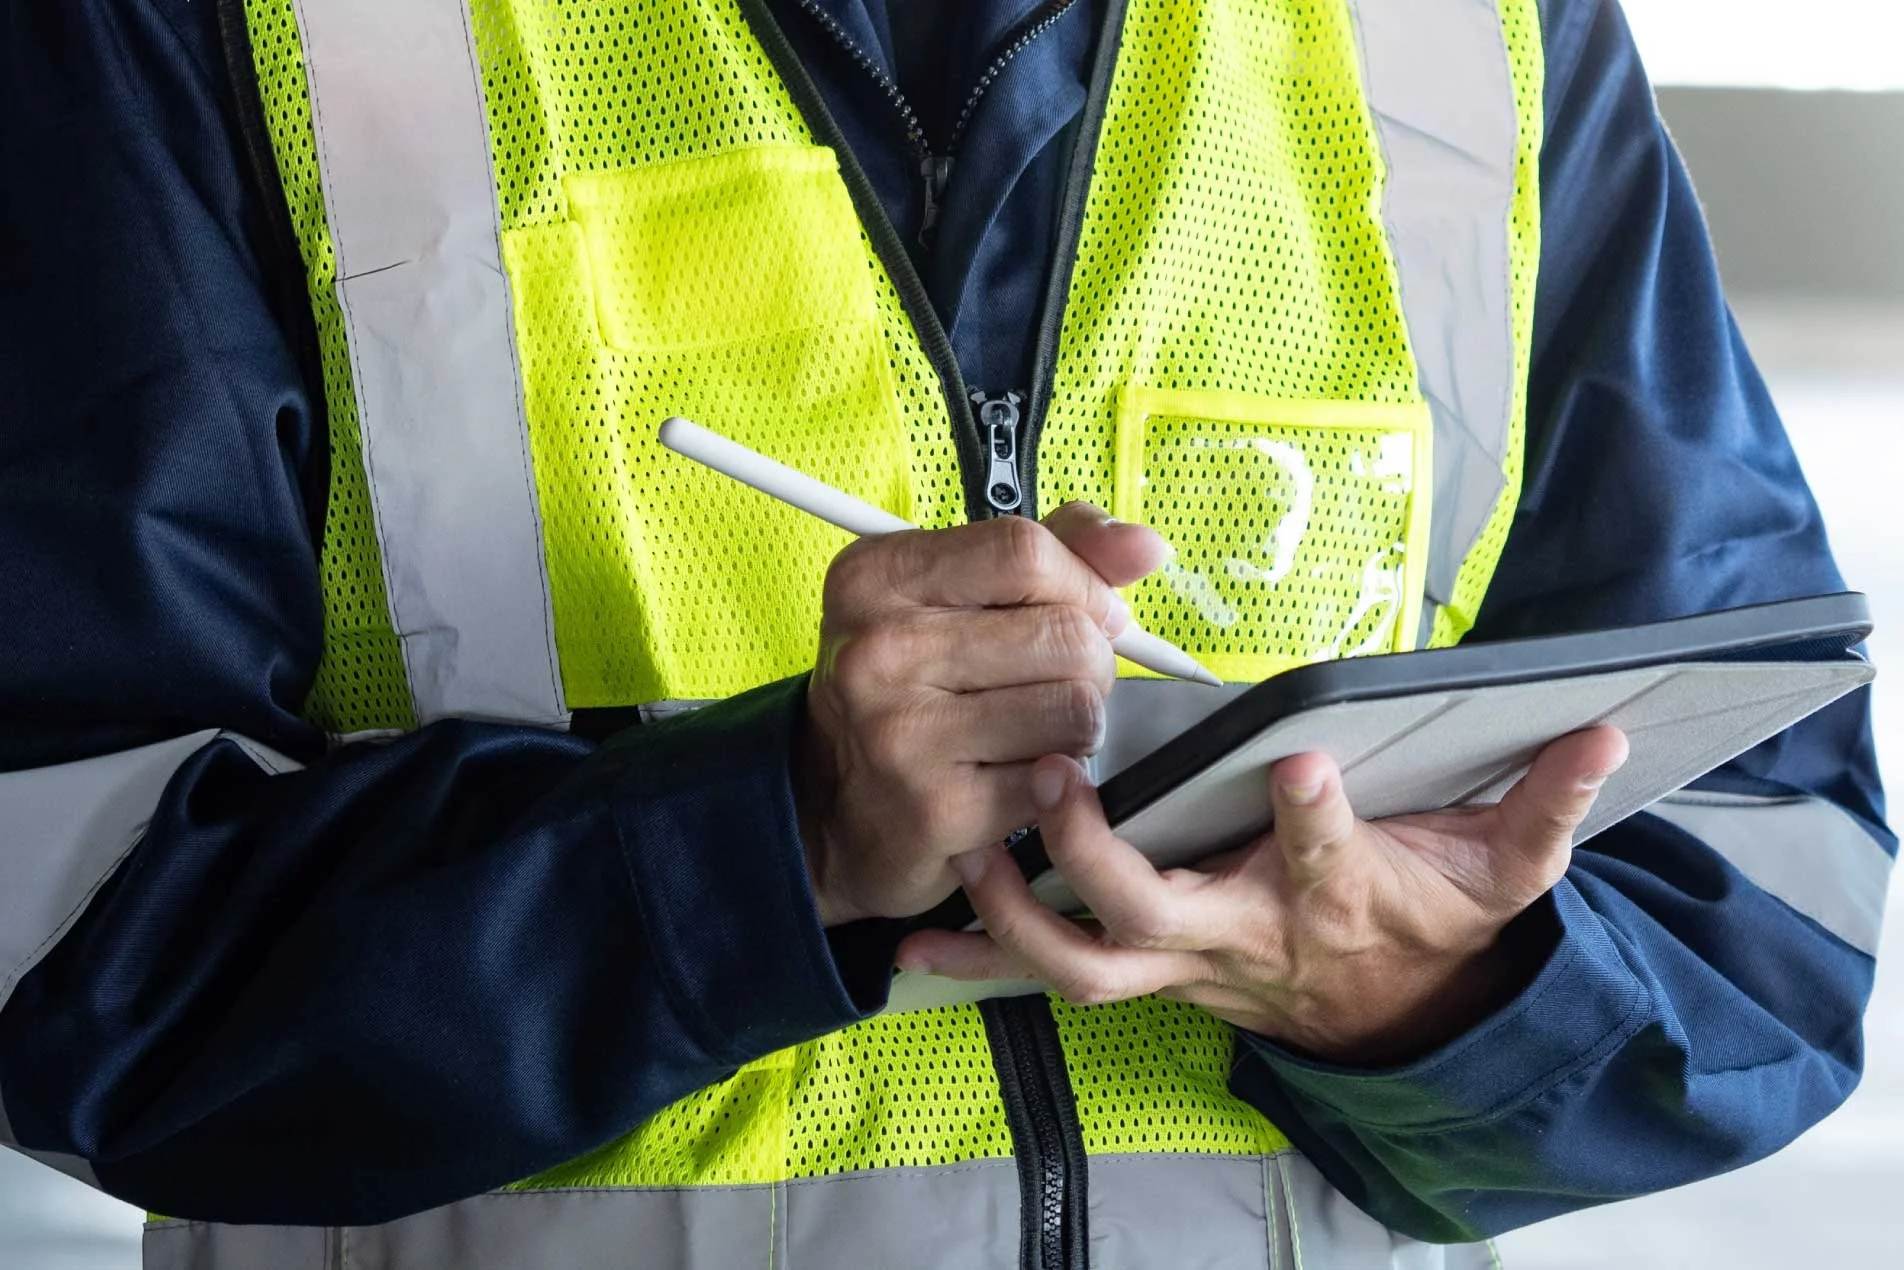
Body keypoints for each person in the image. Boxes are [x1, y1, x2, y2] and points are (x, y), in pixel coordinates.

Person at [0, 0, 1890, 1266]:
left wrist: (1429, 997)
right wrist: (776, 840)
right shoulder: (226, 34)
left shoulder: (1471, 32)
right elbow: (69, 964)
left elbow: (1777, 911)